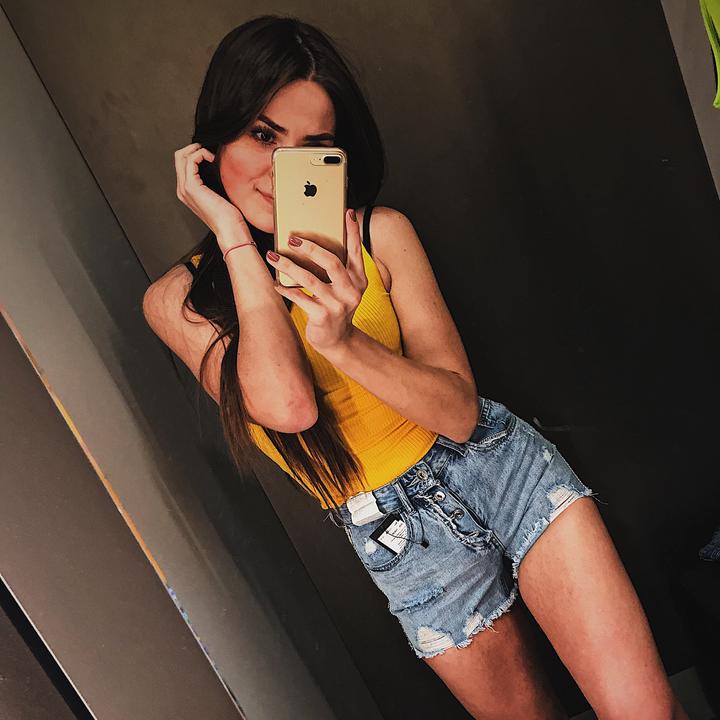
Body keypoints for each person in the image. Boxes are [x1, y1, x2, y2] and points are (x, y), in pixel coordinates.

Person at [142, 14, 688, 720]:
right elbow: (288, 409)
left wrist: (344, 340)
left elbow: (458, 414)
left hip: (496, 467)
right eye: (262, 134)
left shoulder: (380, 233)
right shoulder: (180, 300)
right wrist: (232, 237)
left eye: (313, 148)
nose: (282, 171)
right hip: (400, 540)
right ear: (213, 140)